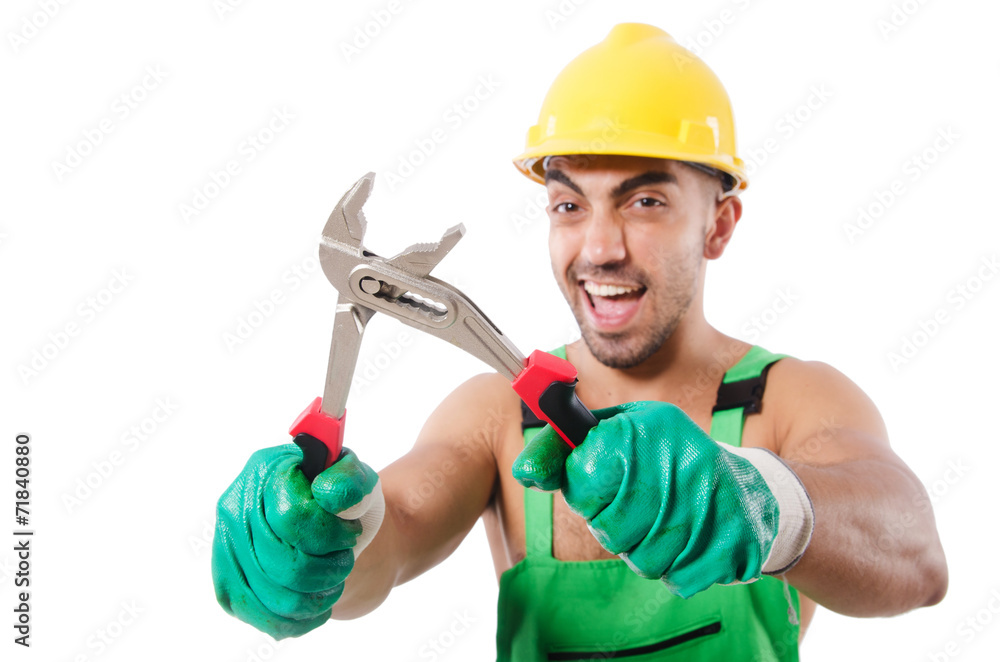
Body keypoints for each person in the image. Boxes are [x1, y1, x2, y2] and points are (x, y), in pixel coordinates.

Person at [212, 23, 948, 660]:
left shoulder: (787, 400)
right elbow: (392, 537)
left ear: (719, 224)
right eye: (569, 203)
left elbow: (915, 560)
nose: (597, 248)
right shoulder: (496, 415)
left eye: (646, 201)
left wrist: (767, 504)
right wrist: (322, 545)